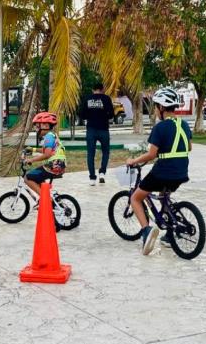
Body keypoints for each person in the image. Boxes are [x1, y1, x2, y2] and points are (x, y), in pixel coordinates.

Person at [126, 88, 192, 255]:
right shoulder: (183, 124)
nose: (155, 110)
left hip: (163, 171)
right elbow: (189, 147)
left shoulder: (160, 127)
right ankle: (169, 235)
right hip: (181, 172)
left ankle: (146, 231)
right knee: (164, 198)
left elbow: (152, 154)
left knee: (136, 197)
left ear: (161, 108)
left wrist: (134, 160)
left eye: (156, 107)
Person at [25, 112, 66, 198]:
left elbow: (47, 154)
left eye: (37, 126)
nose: (36, 129)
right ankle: (46, 197)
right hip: (59, 164)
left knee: (28, 177)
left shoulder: (48, 137)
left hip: (54, 165)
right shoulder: (52, 135)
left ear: (46, 126)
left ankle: (46, 199)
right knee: (37, 177)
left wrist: (31, 160)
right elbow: (47, 150)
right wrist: (33, 149)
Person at [80, 82, 114, 185]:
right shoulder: (106, 99)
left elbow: (82, 114)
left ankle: (92, 178)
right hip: (103, 129)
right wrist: (104, 117)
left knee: (90, 154)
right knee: (106, 152)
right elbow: (112, 114)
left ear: (92, 89)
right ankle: (102, 172)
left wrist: (90, 116)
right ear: (102, 89)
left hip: (91, 129)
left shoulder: (87, 98)